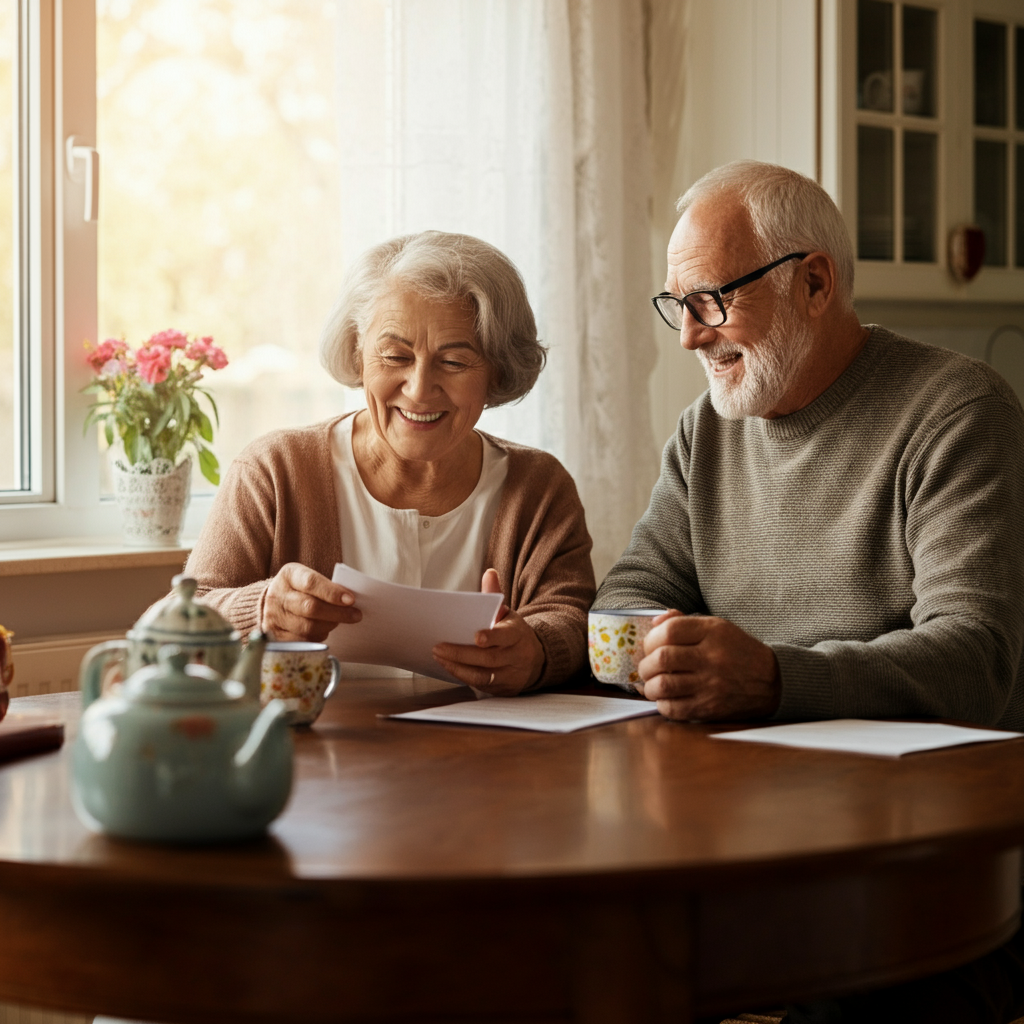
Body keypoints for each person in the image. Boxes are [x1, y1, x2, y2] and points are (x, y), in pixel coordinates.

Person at [594, 160, 1024, 1023]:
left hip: (932, 858)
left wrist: (776, 679)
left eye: (710, 301)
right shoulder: (704, 434)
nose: (688, 337)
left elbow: (977, 658)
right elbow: (634, 589)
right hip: (741, 830)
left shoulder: (957, 411)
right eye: (677, 305)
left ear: (815, 282)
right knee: (588, 962)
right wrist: (624, 646)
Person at [186, 230, 595, 694]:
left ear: (496, 369)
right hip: (314, 757)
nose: (420, 389)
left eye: (455, 362)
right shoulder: (274, 471)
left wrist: (536, 649)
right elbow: (177, 627)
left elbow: (574, 618)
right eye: (395, 355)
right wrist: (260, 610)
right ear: (358, 355)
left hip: (485, 758)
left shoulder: (539, 487)